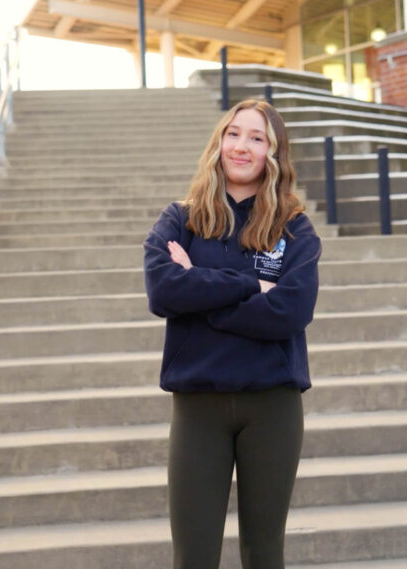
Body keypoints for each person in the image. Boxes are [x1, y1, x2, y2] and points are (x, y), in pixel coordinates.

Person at [143, 99, 322, 569]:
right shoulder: (180, 220)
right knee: (194, 557)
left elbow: (290, 311)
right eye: (233, 133)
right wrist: (252, 286)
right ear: (219, 142)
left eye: (257, 138)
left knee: (264, 554)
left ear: (273, 154)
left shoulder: (294, 229)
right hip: (199, 407)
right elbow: (163, 291)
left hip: (273, 405)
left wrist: (200, 295)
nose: (241, 146)